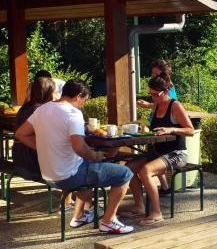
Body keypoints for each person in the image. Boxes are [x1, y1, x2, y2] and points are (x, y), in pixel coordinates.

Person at [15, 79, 134, 234]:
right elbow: (79, 148)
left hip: (48, 175)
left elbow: (20, 134)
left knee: (88, 166)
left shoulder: (42, 109)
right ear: (78, 96)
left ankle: (79, 216)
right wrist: (94, 155)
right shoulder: (73, 113)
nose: (83, 105)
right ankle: (108, 221)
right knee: (125, 173)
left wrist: (45, 148)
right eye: (84, 100)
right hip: (68, 175)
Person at [121, 75, 194, 225]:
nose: (153, 98)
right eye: (151, 94)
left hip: (177, 154)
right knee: (128, 169)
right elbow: (154, 127)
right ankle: (139, 206)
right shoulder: (155, 105)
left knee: (146, 171)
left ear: (166, 91)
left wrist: (171, 129)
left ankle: (156, 213)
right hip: (157, 152)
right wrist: (145, 130)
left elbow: (190, 130)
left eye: (156, 94)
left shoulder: (175, 106)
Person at [137, 59, 177, 196]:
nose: (154, 76)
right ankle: (164, 187)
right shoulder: (163, 84)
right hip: (156, 123)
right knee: (151, 155)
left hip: (164, 128)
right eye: (153, 74)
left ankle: (162, 191)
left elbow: (164, 104)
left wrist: (147, 105)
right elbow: (158, 102)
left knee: (149, 164)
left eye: (156, 73)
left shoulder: (168, 88)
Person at [13, 77, 56, 181]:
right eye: (55, 92)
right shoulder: (40, 110)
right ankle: (68, 196)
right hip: (33, 166)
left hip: (19, 162)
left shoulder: (26, 107)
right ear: (48, 93)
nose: (56, 95)